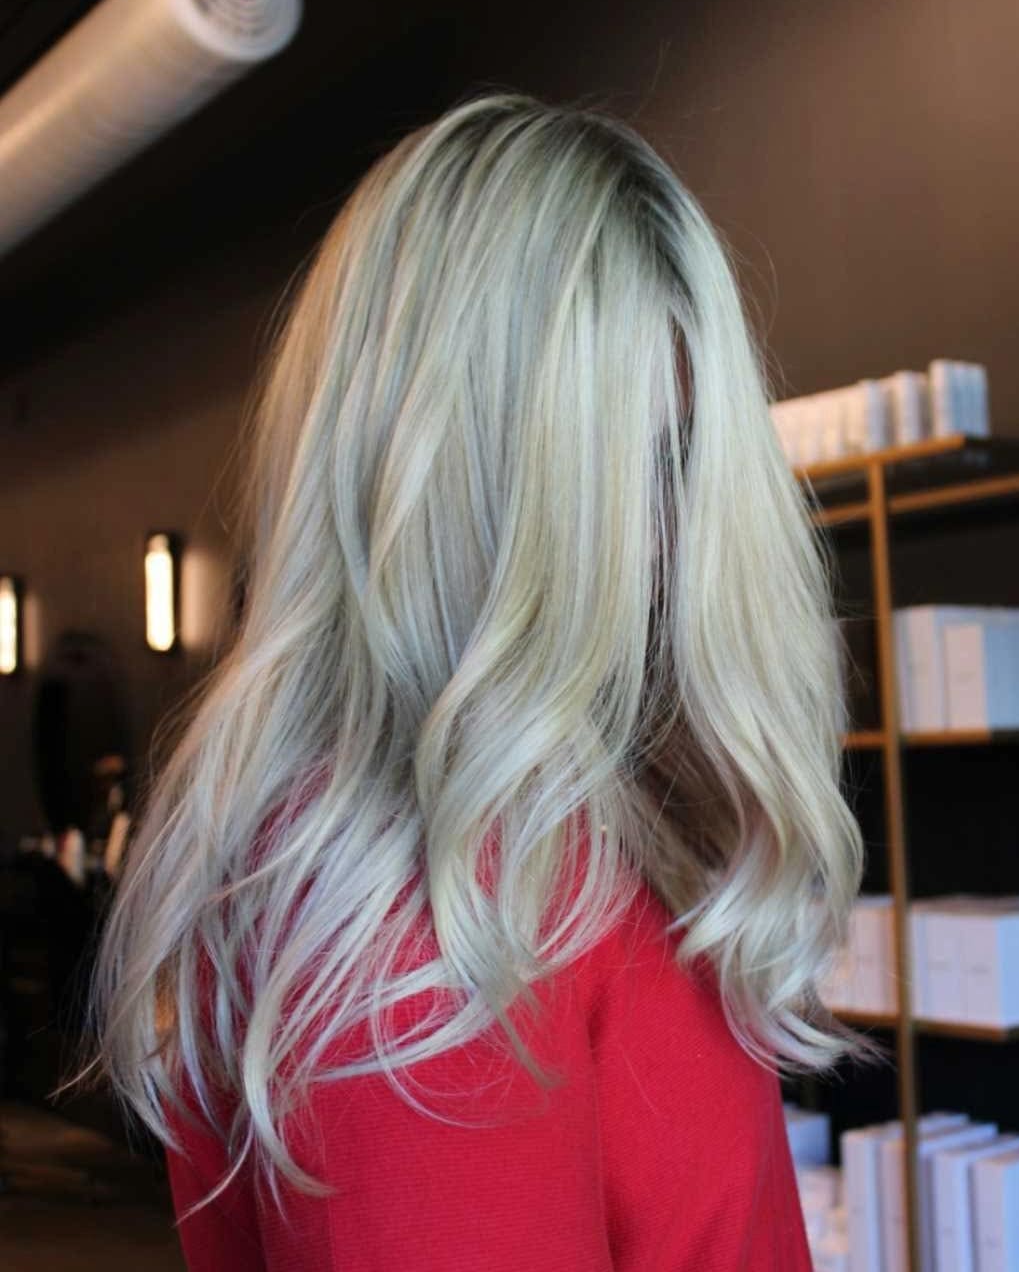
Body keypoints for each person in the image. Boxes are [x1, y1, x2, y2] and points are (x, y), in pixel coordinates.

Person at [75, 91, 869, 1269]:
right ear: (460, 487)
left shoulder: (568, 832)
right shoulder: (435, 928)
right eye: (595, 473)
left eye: (676, 460)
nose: (663, 543)